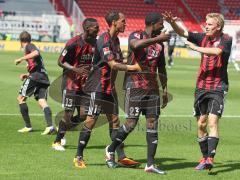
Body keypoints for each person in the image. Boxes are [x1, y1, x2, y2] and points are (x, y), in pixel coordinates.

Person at [163, 12, 232, 170]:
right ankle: (204, 157)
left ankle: (210, 159)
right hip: (201, 87)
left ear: (218, 26)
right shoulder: (202, 37)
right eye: (205, 23)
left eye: (209, 24)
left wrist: (195, 48)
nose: (205, 26)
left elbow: (217, 52)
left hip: (218, 87)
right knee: (201, 124)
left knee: (213, 122)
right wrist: (172, 23)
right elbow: (183, 33)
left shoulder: (226, 39)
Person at [73, 10, 142, 168]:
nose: (125, 24)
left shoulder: (116, 40)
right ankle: (78, 156)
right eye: (123, 21)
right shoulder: (103, 40)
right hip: (97, 86)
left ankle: (121, 156)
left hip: (109, 88)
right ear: (114, 23)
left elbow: (117, 65)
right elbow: (112, 64)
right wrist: (134, 68)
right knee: (91, 120)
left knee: (115, 121)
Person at [105, 12, 170, 175]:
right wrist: (158, 39)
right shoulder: (136, 34)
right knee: (131, 123)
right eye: (161, 23)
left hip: (153, 89)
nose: (163, 26)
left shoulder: (160, 46)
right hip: (135, 86)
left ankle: (150, 164)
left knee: (152, 124)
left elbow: (161, 68)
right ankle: (110, 149)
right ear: (153, 23)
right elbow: (135, 46)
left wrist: (165, 90)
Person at [52, 18, 99, 151]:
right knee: (68, 112)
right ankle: (57, 141)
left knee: (84, 115)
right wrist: (74, 69)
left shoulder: (96, 43)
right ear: (87, 28)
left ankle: (62, 127)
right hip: (70, 83)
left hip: (86, 85)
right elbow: (60, 61)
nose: (98, 29)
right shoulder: (73, 43)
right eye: (96, 27)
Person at [15, 31, 55, 135]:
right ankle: (50, 126)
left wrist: (21, 58)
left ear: (21, 41)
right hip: (43, 77)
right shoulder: (30, 47)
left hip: (36, 77)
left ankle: (28, 126)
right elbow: (36, 65)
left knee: (21, 98)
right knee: (42, 101)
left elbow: (36, 52)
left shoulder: (29, 46)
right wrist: (27, 74)